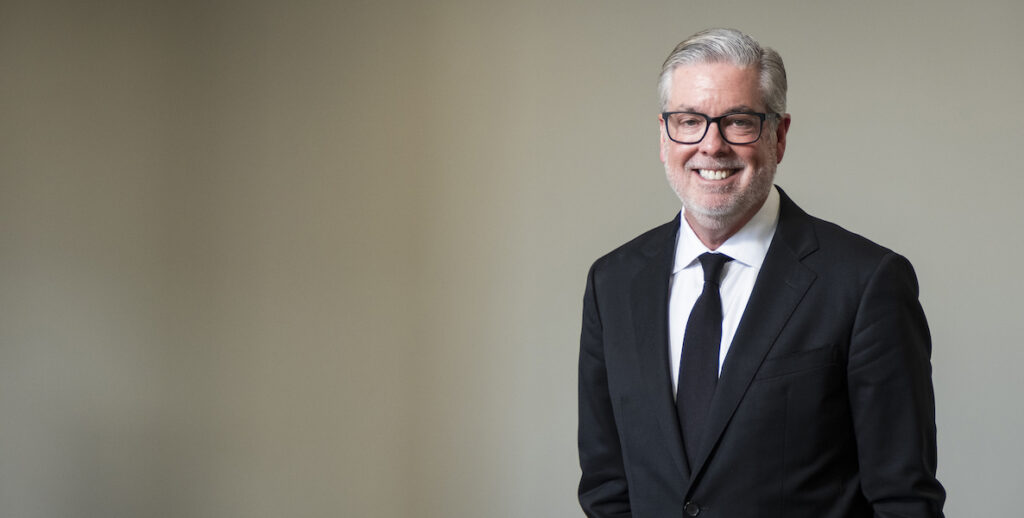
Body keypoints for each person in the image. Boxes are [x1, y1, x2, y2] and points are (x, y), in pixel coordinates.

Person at [577, 28, 945, 517]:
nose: (712, 145)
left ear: (779, 135)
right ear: (664, 137)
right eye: (689, 121)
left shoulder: (866, 283)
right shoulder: (613, 284)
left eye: (739, 122)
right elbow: (607, 488)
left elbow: (904, 502)